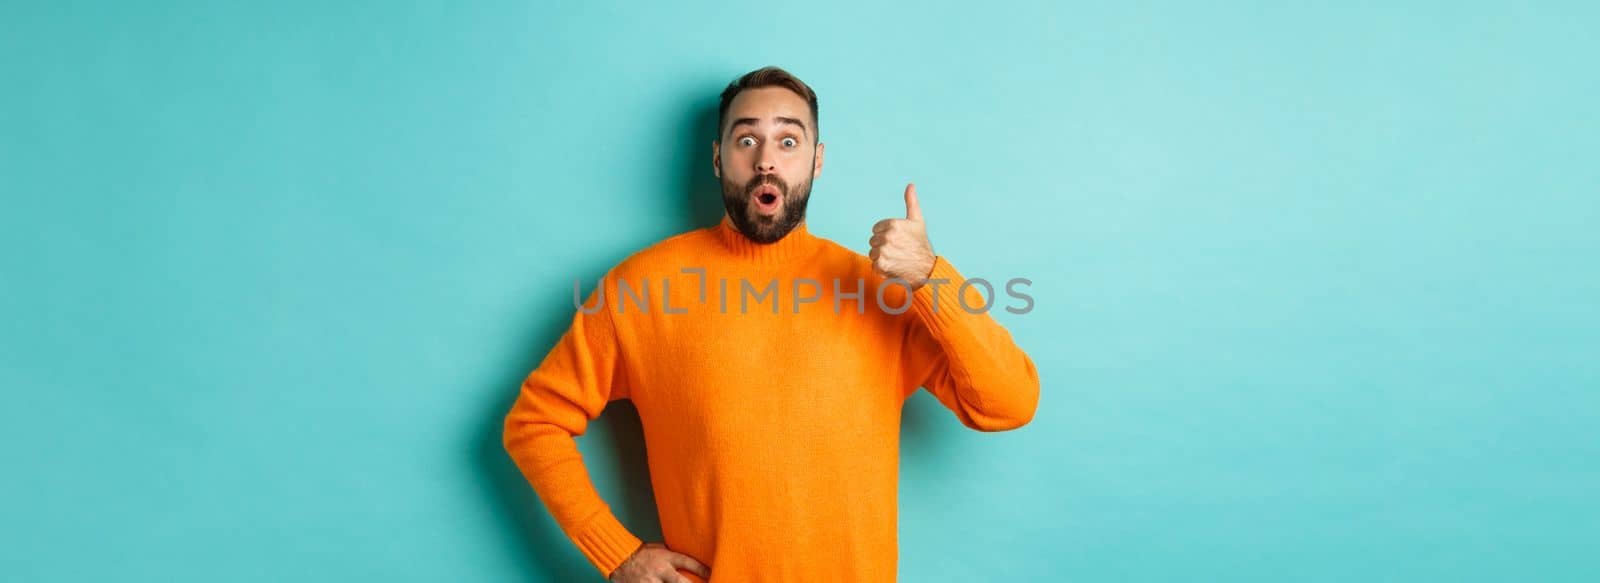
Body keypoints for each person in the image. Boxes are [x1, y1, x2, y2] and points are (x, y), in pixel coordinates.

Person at [503, 65, 1040, 582]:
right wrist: (616, 553)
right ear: (718, 159)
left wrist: (931, 277)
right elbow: (536, 422)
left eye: (788, 141)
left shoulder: (878, 292)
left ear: (817, 160)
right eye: (745, 141)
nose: (767, 161)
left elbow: (1009, 402)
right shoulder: (640, 289)